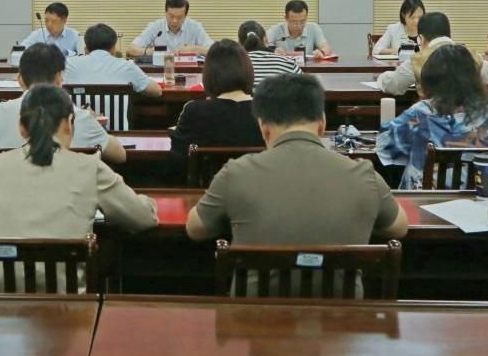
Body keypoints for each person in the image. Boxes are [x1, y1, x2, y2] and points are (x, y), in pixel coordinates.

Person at [186, 72, 407, 245]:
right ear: (322, 124)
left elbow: (195, 229)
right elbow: (399, 227)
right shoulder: (364, 175)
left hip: (257, 293)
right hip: (340, 293)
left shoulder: (235, 173)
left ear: (263, 126)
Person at [0, 84, 156, 238]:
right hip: (69, 287)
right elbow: (142, 218)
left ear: (21, 128)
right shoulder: (90, 168)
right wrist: (150, 202)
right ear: (69, 124)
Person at [376, 44, 488, 188]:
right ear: (475, 79)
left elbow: (384, 148)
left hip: (427, 203)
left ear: (430, 80)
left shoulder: (421, 113)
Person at [0, 43, 126, 163]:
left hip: (8, 189)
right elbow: (120, 156)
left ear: (20, 79)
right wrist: (94, 124)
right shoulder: (80, 117)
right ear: (59, 79)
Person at [171, 40, 265, 162]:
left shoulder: (194, 111)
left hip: (209, 174)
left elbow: (180, 155)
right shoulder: (267, 111)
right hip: (256, 174)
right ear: (248, 71)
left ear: (209, 74)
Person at [64, 24, 162, 129]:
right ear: (114, 49)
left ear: (86, 49)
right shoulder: (126, 66)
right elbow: (157, 91)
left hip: (78, 135)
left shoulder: (68, 64)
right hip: (119, 136)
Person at [377, 12, 488, 96]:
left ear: (421, 38)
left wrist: (381, 77)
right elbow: (485, 75)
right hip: (469, 118)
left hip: (432, 118)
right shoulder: (475, 57)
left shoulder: (417, 60)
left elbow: (394, 85)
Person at [127, 0, 211, 57]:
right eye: (171, 16)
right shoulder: (155, 27)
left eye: (179, 17)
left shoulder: (195, 27)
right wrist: (148, 52)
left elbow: (214, 51)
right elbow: (131, 49)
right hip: (160, 70)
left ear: (185, 15)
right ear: (165, 13)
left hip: (188, 71)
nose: (175, 21)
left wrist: (194, 48)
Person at [238, 20, 300, 86]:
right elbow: (305, 88)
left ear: (239, 43)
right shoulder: (289, 64)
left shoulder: (233, 66)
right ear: (265, 40)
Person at [265, 0, 331, 58]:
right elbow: (261, 47)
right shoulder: (275, 30)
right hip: (284, 67)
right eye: (294, 22)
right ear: (286, 18)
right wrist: (273, 51)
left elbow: (327, 48)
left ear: (306, 17)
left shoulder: (313, 28)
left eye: (302, 21)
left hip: (307, 67)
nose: (299, 26)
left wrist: (321, 52)